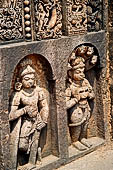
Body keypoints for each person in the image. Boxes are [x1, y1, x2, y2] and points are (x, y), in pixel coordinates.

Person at [9, 59, 49, 169]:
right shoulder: (18, 94)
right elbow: (11, 115)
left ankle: (32, 162)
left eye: (32, 79)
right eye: (27, 79)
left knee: (35, 141)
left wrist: (44, 120)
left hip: (37, 119)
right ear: (20, 80)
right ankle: (35, 154)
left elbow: (44, 106)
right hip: (25, 121)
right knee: (22, 145)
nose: (30, 81)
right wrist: (24, 110)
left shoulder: (38, 91)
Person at [66, 55, 94, 151]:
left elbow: (92, 94)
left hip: (86, 106)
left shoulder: (85, 81)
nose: (82, 74)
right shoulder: (70, 86)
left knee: (85, 123)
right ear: (70, 73)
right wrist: (76, 99)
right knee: (77, 124)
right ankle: (75, 141)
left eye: (82, 71)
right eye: (78, 72)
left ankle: (83, 138)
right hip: (76, 109)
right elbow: (65, 105)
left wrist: (89, 95)